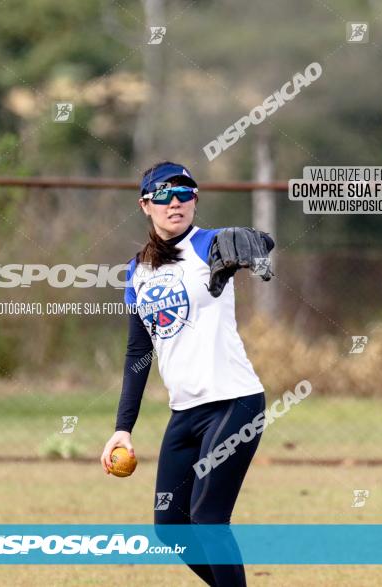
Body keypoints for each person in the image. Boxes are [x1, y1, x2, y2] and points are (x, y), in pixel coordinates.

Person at [100, 161, 272, 586]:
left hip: (234, 402)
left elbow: (259, 242)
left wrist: (257, 245)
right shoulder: (137, 271)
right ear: (145, 205)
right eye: (162, 194)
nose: (174, 202)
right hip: (185, 413)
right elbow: (138, 352)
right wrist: (123, 428)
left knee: (209, 519)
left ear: (195, 200)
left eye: (184, 193)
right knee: (170, 527)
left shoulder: (209, 244)